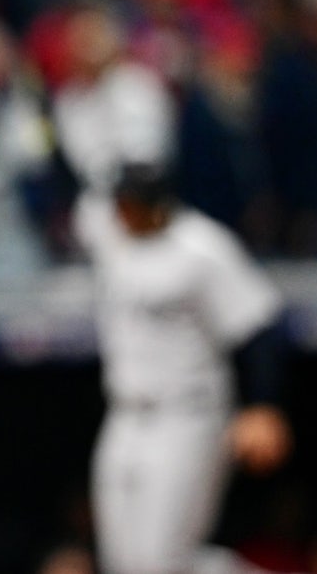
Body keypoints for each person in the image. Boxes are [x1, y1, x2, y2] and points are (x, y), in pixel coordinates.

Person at [71, 163, 294, 574]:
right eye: (119, 202)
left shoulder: (203, 247)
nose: (121, 212)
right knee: (124, 562)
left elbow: (259, 326)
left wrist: (263, 404)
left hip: (188, 416)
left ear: (157, 205)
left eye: (131, 204)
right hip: (123, 417)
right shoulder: (111, 236)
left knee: (163, 562)